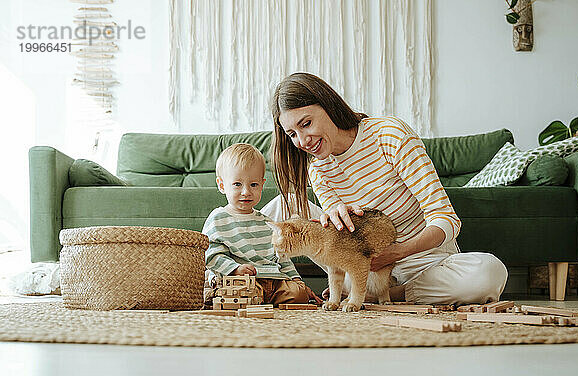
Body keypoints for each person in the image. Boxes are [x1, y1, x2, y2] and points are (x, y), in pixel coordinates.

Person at [269, 72, 508, 305]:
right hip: (362, 263)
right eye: (292, 134)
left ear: (328, 105)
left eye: (306, 123)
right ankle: (265, 282)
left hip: (422, 261)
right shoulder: (318, 169)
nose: (303, 141)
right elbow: (337, 239)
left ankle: (391, 294)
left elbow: (447, 219)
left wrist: (396, 253)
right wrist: (333, 218)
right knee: (281, 206)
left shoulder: (389, 136)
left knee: (488, 273)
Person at [202, 143, 321, 306]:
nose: (246, 192)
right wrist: (235, 269)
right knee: (240, 291)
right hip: (241, 279)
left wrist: (296, 280)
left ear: (262, 184)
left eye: (254, 185)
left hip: (274, 280)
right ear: (222, 185)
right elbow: (211, 254)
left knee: (299, 294)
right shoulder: (218, 218)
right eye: (237, 184)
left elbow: (282, 256)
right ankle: (243, 296)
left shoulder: (267, 222)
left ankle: (264, 298)